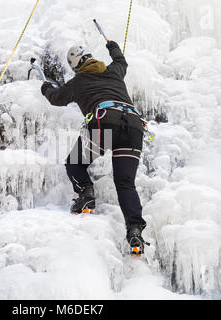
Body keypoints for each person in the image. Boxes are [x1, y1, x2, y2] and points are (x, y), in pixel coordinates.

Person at [40, 40, 148, 254]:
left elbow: (56, 98)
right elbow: (121, 61)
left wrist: (45, 87)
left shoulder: (78, 81)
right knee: (126, 183)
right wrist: (112, 46)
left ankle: (86, 195)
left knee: (75, 163)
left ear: (76, 66)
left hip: (105, 123)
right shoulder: (114, 72)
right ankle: (134, 230)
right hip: (134, 126)